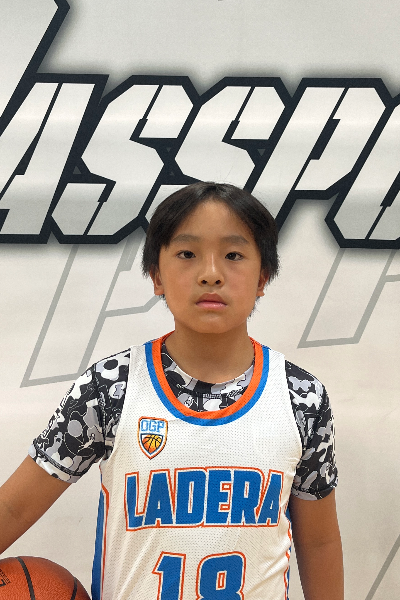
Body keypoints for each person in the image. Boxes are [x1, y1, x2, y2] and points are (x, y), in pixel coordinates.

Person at [0, 182, 343, 600]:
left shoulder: (300, 397)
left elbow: (319, 542)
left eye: (233, 255)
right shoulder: (110, 387)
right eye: (187, 254)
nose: (211, 273)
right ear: (157, 276)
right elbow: (13, 507)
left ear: (262, 277)